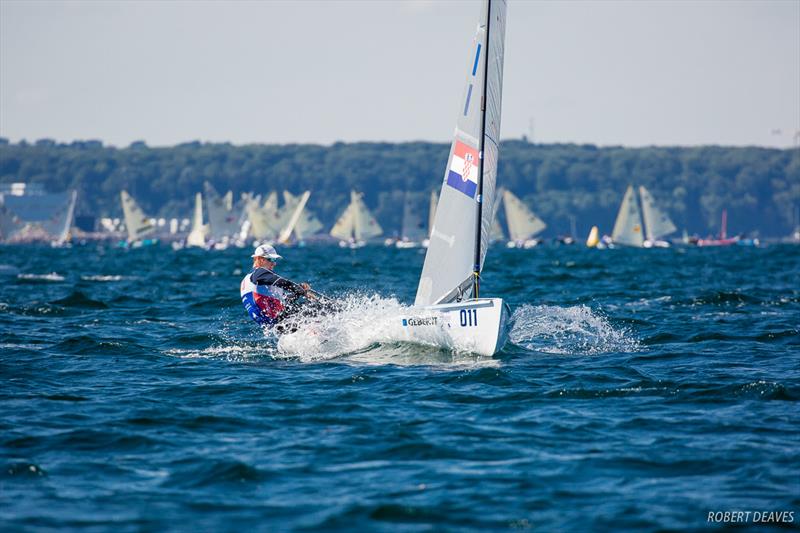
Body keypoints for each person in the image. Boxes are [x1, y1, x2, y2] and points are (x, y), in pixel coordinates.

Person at [240, 244, 316, 329]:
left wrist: (298, 292)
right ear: (260, 259)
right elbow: (281, 282)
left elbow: (284, 301)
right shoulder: (260, 272)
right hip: (279, 319)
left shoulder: (249, 280)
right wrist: (300, 289)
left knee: (302, 309)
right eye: (271, 259)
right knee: (315, 308)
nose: (274, 263)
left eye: (275, 259)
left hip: (274, 325)